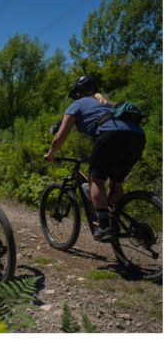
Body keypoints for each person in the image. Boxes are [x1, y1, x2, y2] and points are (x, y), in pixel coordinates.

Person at [43, 75, 145, 242]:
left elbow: (60, 135)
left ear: (78, 93)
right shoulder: (107, 104)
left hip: (112, 136)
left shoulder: (76, 104)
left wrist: (50, 154)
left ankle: (104, 227)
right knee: (115, 182)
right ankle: (117, 220)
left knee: (96, 180)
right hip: (138, 136)